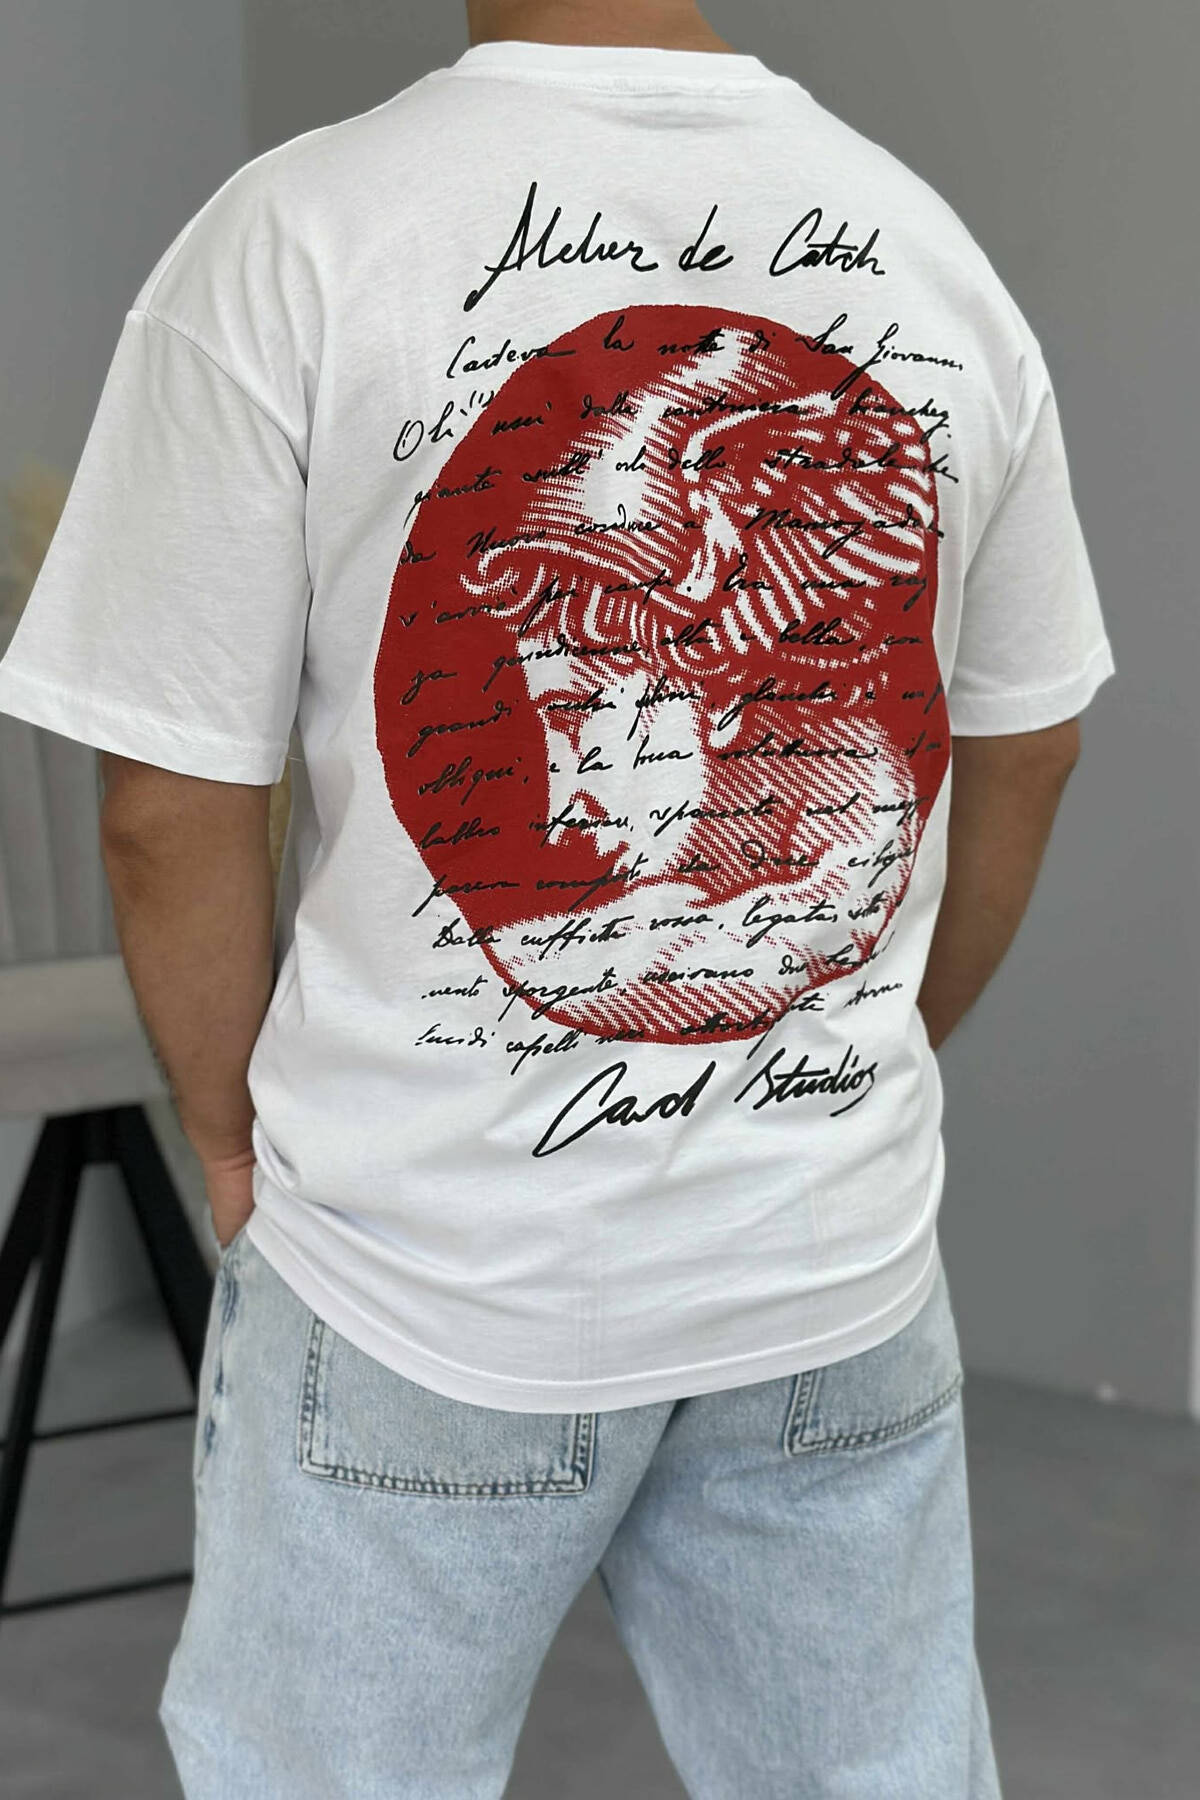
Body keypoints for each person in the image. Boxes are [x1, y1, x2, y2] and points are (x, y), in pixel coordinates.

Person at [0, 1, 1117, 1793]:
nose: (566, 768)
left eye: (604, 697)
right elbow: (1030, 745)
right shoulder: (927, 247)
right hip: (830, 1267)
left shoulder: (293, 237)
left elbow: (164, 805)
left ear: (738, 677)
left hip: (420, 1277)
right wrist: (859, 1050)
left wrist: (226, 1136)